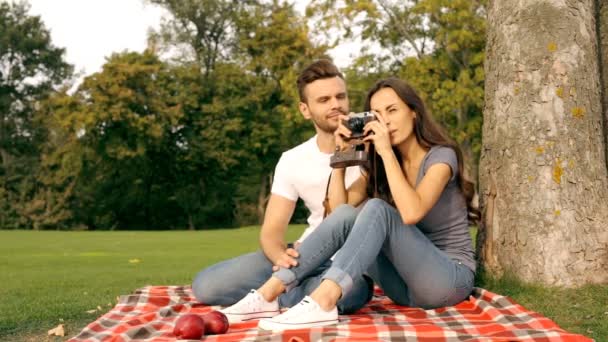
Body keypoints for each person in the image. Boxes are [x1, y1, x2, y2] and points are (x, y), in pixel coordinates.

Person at [221, 77, 478, 331]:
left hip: (447, 280)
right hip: (404, 289)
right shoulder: (380, 164)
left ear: (413, 112)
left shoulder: (442, 156)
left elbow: (412, 212)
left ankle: (324, 300)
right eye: (377, 114)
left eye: (392, 110)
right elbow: (336, 213)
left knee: (377, 209)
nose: (385, 121)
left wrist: (386, 152)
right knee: (349, 215)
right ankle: (270, 294)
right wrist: (341, 156)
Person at [191, 59, 374, 320]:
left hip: (346, 262)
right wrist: (282, 258)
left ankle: (282, 294)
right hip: (303, 254)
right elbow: (271, 231)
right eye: (323, 100)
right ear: (305, 109)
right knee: (206, 285)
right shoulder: (293, 159)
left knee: (353, 290)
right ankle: (295, 291)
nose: (335, 105)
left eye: (340, 96)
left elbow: (342, 215)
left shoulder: (372, 149)